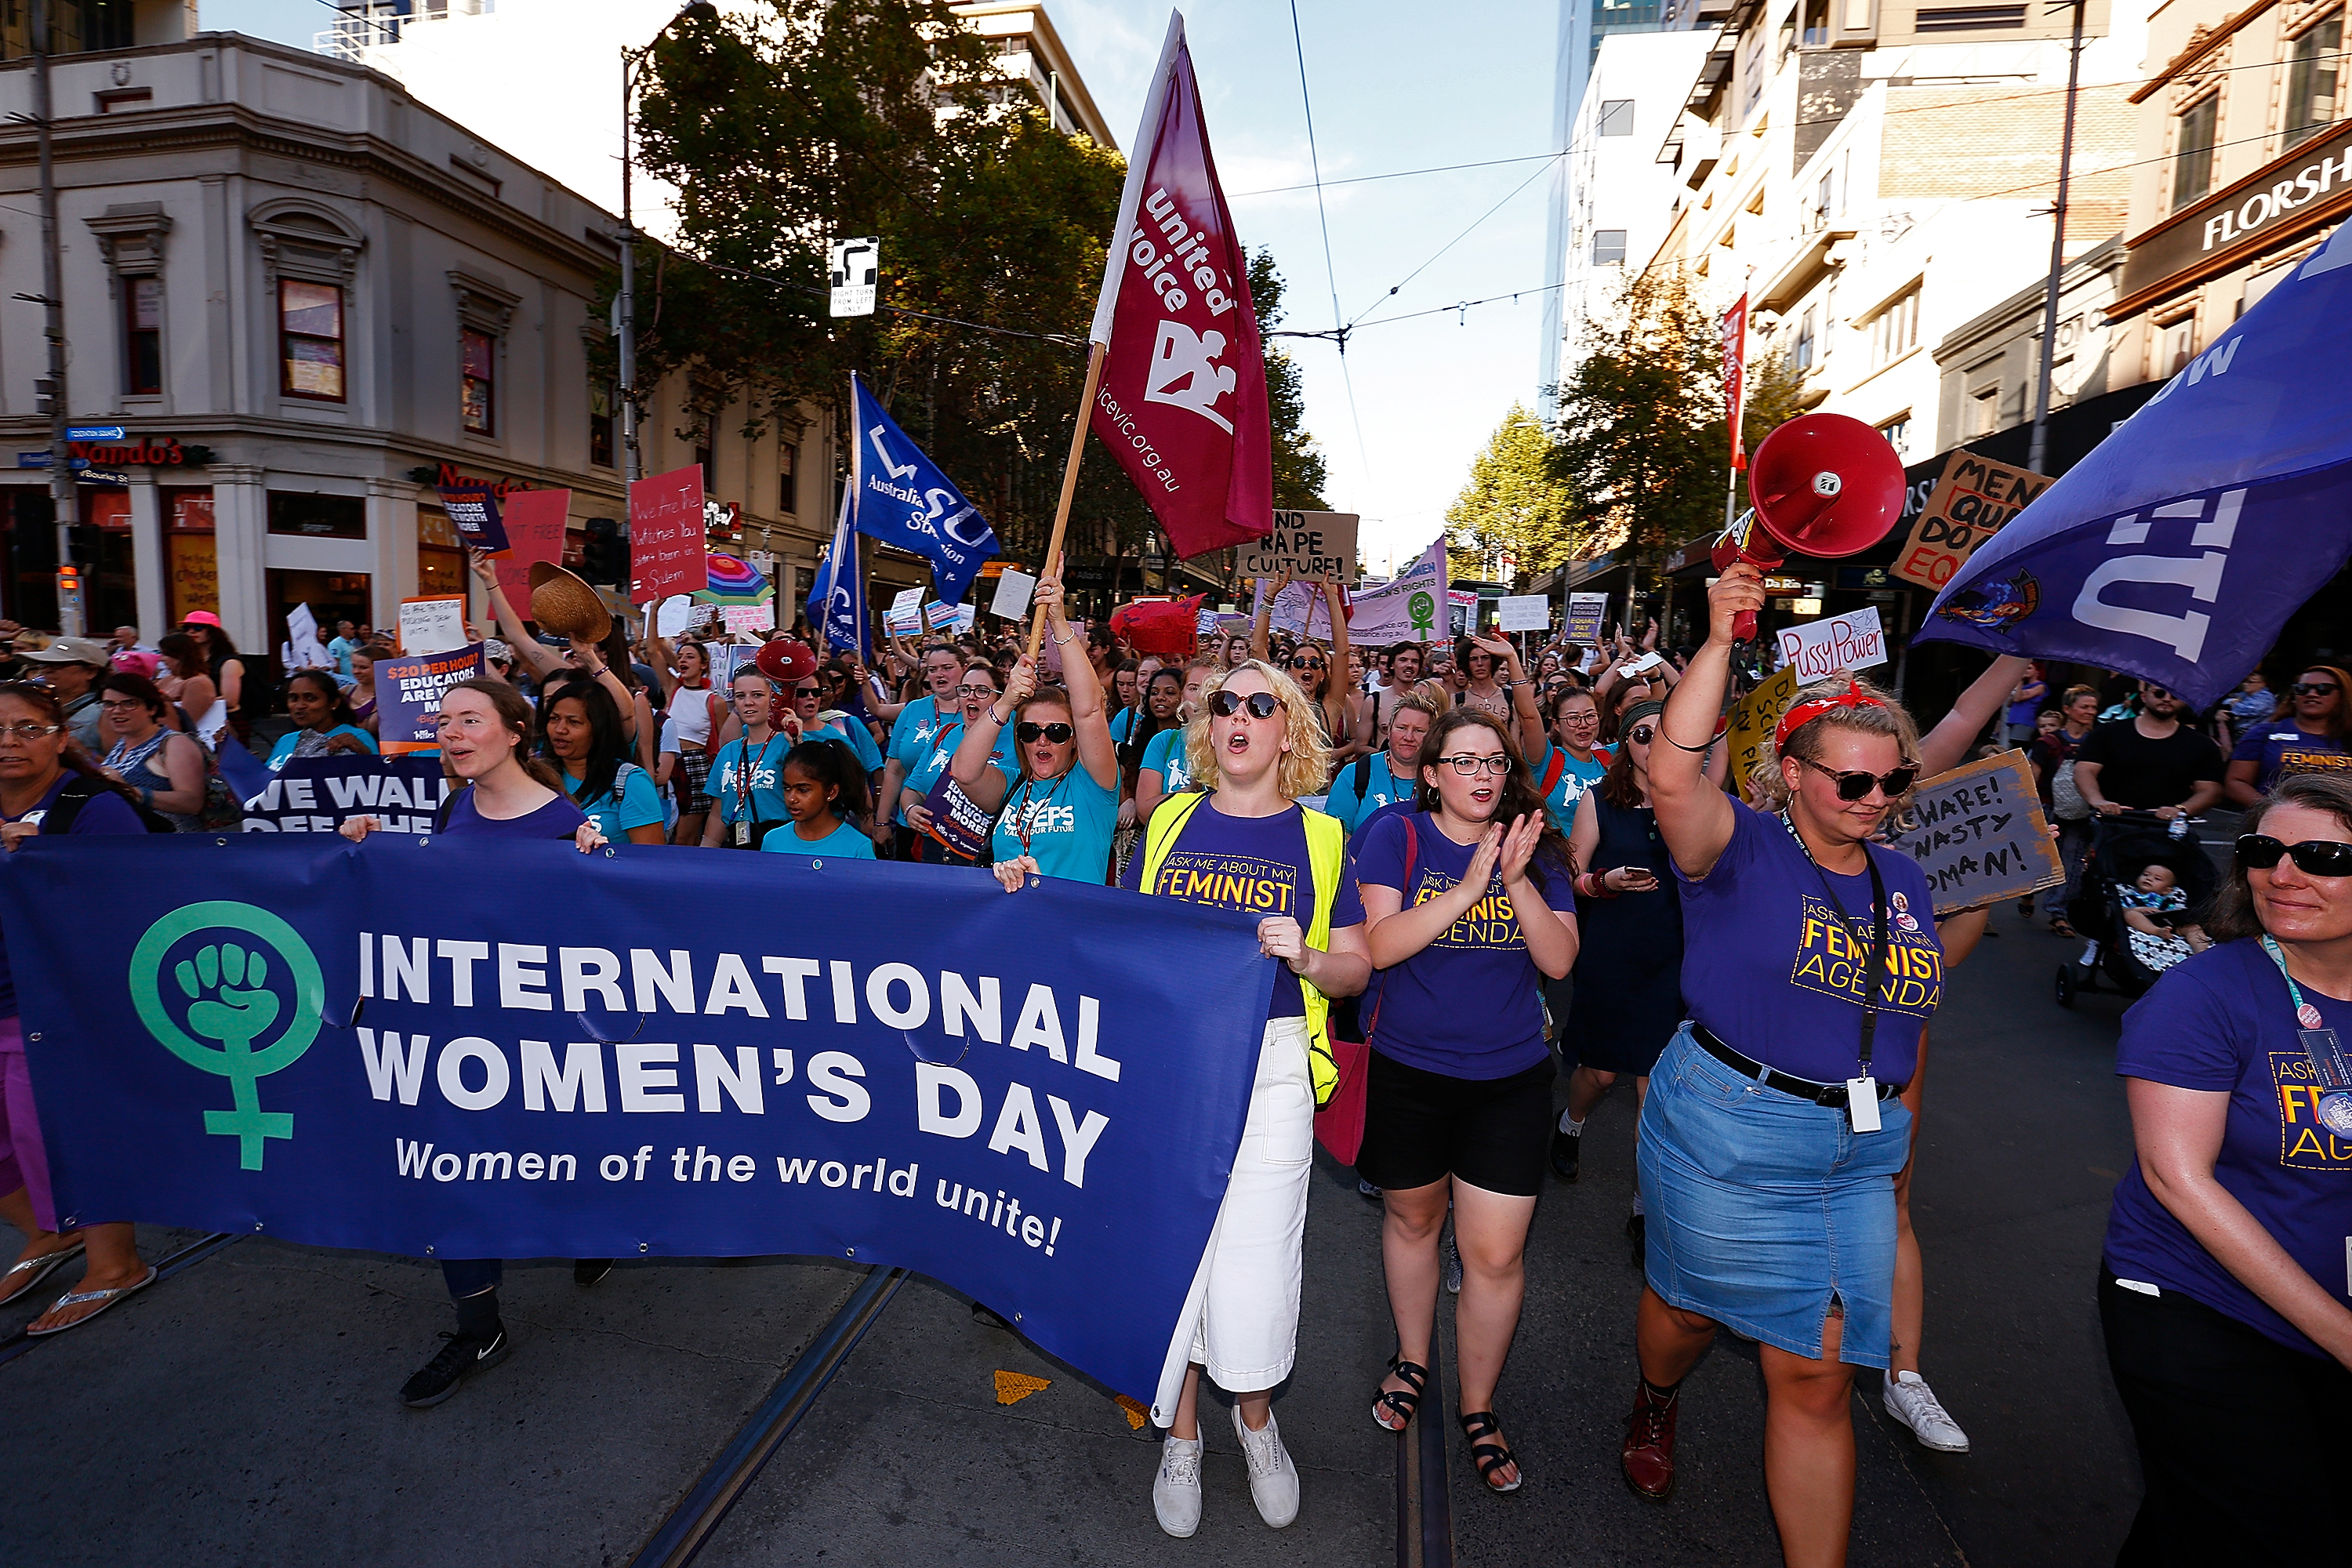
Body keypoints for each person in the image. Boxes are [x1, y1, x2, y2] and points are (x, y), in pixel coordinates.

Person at [1621, 561, 1942, 1567]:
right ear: (1793, 773)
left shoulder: (1906, 879)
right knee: (1687, 1313)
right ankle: (1655, 1394)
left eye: (1894, 781)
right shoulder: (1738, 845)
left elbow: (1910, 1017)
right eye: (1853, 780)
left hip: (1855, 1148)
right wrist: (1722, 637)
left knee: (1815, 1373)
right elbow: (1672, 773)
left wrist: (1901, 1145)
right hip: (1727, 1124)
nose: (1875, 798)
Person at [1091, 658, 1370, 1535]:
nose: (1239, 714)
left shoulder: (1323, 836)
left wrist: (1308, 956)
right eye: (1225, 703)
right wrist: (1028, 891)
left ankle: (1256, 1423)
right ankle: (1181, 1435)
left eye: (1261, 703)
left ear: (1287, 731)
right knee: (1174, 1247)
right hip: (1171, 1062)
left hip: (1274, 1063)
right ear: (1209, 727)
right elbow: (1120, 935)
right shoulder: (1170, 819)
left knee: (1258, 1253)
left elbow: (1356, 967)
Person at [2099, 771, 2352, 1563]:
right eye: (2264, 851)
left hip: (2328, 1307)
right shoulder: (2203, 994)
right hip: (2199, 1303)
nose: (2284, 874)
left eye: (2321, 856)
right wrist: (2343, 1333)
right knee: (2273, 1532)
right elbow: (2178, 1179)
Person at [340, 679, 604, 1405]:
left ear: (515, 732)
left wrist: (600, 865)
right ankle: (478, 1327)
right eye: (444, 722)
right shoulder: (454, 808)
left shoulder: (563, 823)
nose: (451, 733)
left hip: (537, 1043)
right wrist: (373, 850)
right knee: (453, 1169)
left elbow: (596, 941)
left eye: (470, 720)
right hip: (457, 1041)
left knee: (552, 1160)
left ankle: (599, 1227)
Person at [1356, 708, 1577, 1495]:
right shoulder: (1395, 834)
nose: (1482, 774)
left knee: (1495, 1255)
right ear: (1431, 774)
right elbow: (1378, 945)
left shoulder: (1537, 847)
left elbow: (1559, 959)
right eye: (1464, 761)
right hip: (1408, 1072)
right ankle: (1413, 1358)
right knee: (1414, 1222)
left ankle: (1478, 1404)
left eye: (1494, 761)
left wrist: (1513, 879)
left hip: (1509, 1080)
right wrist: (1468, 887)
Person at [0, 682, 154, 1335]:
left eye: (28, 728)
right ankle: (49, 1232)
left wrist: (45, 865)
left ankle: (115, 1263)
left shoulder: (93, 807)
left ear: (62, 738)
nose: (10, 741)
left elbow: (136, 900)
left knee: (60, 1136)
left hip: (52, 1003)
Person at [1552, 701, 1679, 1232]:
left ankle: (1643, 1212)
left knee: (1655, 1087)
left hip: (1673, 958)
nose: (1652, 743)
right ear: (1625, 741)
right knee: (1600, 1074)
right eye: (1641, 734)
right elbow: (1568, 874)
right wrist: (1604, 882)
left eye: (1662, 732)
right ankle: (1571, 1122)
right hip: (1612, 952)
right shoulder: (1601, 799)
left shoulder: (1695, 801)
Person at [961, 578, 1120, 887]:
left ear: (1074, 740)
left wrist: (1058, 621)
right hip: (1013, 916)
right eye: (1030, 731)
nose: (1042, 739)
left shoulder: (1093, 785)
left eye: (1057, 731)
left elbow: (1089, 711)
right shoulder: (1012, 786)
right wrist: (1006, 701)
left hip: (1072, 916)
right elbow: (965, 774)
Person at [899, 661, 1014, 865]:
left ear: (1000, 698)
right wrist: (911, 809)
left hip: (985, 856)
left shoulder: (1017, 741)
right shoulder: (944, 734)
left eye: (982, 691)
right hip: (933, 852)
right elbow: (913, 789)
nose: (971, 696)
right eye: (965, 689)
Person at [2074, 681, 2227, 825]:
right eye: (2159, 693)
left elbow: (2210, 790)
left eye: (2175, 696)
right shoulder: (2108, 733)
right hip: (2110, 823)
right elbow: (2084, 771)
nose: (2167, 699)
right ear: (2144, 696)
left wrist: (2181, 809)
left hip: (2170, 828)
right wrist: (2099, 801)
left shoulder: (2200, 744)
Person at [537, 676, 666, 846]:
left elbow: (649, 857)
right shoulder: (535, 775)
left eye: (574, 722)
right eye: (554, 719)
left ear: (599, 728)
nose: (560, 729)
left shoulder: (631, 782)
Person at [874, 644, 967, 857]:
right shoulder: (913, 709)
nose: (939, 674)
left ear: (965, 668)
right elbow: (894, 771)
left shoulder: (977, 711)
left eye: (947, 668)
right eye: (932, 669)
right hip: (911, 823)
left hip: (962, 830)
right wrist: (881, 822)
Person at [2224, 664, 2352, 805]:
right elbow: (2236, 782)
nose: (2312, 694)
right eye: (2302, 689)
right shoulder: (2263, 733)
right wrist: (2271, 808)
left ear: (2342, 696)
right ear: (2293, 697)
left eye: (2323, 689)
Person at [700, 668, 797, 850]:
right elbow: (717, 813)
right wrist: (705, 853)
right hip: (739, 844)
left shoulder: (790, 744)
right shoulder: (728, 752)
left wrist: (797, 744)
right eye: (740, 696)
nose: (748, 702)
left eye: (757, 695)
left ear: (773, 698)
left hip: (783, 845)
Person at [2031, 684, 2101, 935]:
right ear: (2068, 709)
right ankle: (2029, 893)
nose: (2091, 711)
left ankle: (2059, 913)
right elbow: (2032, 777)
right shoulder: (2048, 743)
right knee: (2039, 860)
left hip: (2081, 812)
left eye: (2094, 707)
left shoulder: (2098, 743)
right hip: (2048, 807)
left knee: (2071, 862)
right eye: (2085, 707)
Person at [96, 673, 205, 831]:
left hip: (174, 841)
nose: (117, 711)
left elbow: (192, 803)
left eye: (129, 703)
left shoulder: (175, 743)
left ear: (152, 709)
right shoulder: (122, 743)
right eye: (109, 704)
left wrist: (129, 791)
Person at [1326, 690, 1440, 840]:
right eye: (1402, 728)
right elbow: (1335, 833)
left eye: (1419, 731)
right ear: (1389, 730)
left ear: (1431, 737)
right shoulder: (1355, 774)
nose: (1408, 737)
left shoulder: (1440, 778)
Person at [1134, 655, 1219, 827]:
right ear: (1182, 695)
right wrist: (1190, 791)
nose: (1201, 696)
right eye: (1193, 688)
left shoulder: (1232, 744)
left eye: (1210, 688)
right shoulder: (1164, 741)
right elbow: (1144, 811)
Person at [652, 637, 721, 847]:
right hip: (668, 761)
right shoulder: (673, 689)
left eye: (690, 657)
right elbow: (653, 650)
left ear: (703, 665)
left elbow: (724, 743)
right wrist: (655, 617)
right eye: (680, 656)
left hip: (696, 766)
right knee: (666, 829)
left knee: (684, 838)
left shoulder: (714, 701)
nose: (683, 660)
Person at [762, 739, 877, 861]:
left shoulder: (858, 847)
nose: (791, 799)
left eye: (803, 790)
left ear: (832, 792)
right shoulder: (772, 840)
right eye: (786, 788)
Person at [1522, 685, 1611, 836]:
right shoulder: (1547, 760)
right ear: (1556, 724)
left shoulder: (1610, 757)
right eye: (1573, 718)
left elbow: (1650, 726)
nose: (1583, 725)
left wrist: (1653, 678)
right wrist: (1516, 671)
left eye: (1590, 716)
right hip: (1561, 849)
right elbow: (1528, 717)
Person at [266, 670, 376, 771]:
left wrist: (363, 754)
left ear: (334, 703)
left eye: (310, 698)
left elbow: (377, 777)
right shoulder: (286, 740)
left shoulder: (357, 737)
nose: (300, 706)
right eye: (294, 698)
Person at [19, 636, 109, 752]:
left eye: (58, 665)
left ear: (91, 672)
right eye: (44, 664)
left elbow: (121, 761)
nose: (47, 670)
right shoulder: (39, 707)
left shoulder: (106, 713)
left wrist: (85, 754)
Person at [2118, 862, 2211, 971]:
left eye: (2157, 879)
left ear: (2167, 890)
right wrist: (2137, 909)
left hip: (2168, 923)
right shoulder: (2129, 897)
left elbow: (2176, 912)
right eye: (2146, 875)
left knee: (2194, 928)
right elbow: (2119, 910)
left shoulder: (2169, 900)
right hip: (2143, 922)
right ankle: (2157, 931)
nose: (2149, 879)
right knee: (2130, 915)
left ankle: (2202, 955)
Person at [180, 612, 249, 745]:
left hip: (227, 721)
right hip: (199, 719)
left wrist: (198, 701)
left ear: (213, 632)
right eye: (186, 628)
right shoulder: (190, 661)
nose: (191, 632)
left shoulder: (229, 662)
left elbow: (230, 700)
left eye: (198, 628)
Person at [347, 642, 390, 735]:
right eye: (354, 666)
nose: (356, 671)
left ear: (381, 668)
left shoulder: (390, 696)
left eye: (363, 668)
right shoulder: (346, 691)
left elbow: (370, 728)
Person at [2004, 661, 2048, 746]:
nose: (2025, 671)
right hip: (2014, 719)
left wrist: (2020, 681)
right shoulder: (2023, 687)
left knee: (2017, 747)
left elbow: (2017, 699)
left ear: (2037, 671)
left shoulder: (2040, 686)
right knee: (2010, 746)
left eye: (2029, 668)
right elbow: (2009, 702)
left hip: (2025, 720)